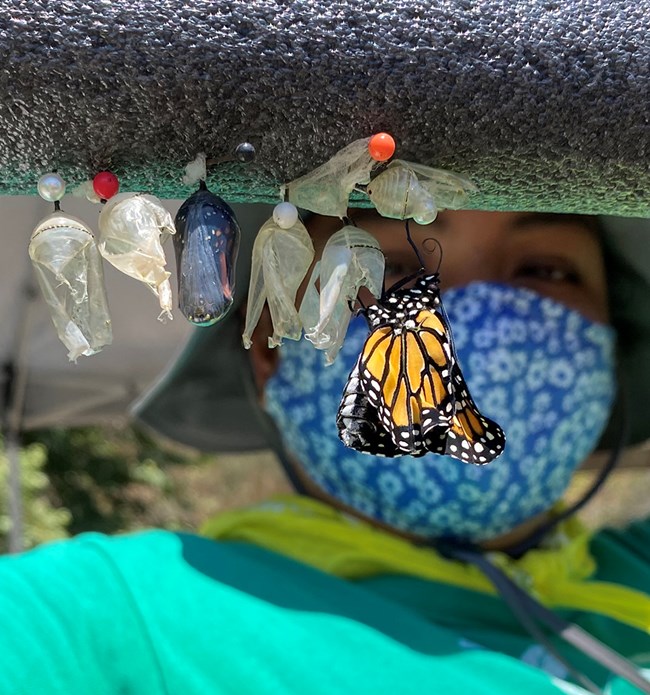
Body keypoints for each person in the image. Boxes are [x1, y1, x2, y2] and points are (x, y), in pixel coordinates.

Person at [1, 207, 650, 695]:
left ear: (610, 347)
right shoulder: (118, 618)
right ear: (271, 346)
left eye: (544, 271)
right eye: (388, 267)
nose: (472, 321)